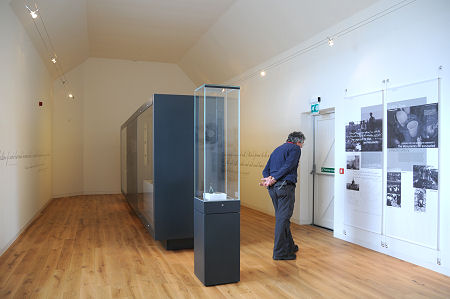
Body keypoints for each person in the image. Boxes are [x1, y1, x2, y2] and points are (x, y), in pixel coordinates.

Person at [260, 131, 305, 260]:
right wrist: (274, 178)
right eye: (302, 144)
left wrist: (268, 179)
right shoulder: (295, 149)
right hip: (284, 187)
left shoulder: (277, 149)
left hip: (273, 189)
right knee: (282, 219)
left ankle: (290, 246)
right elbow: (288, 166)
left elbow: (265, 169)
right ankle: (280, 252)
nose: (302, 146)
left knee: (282, 218)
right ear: (298, 141)